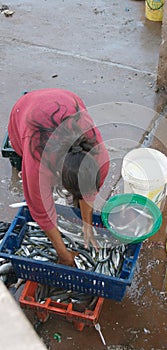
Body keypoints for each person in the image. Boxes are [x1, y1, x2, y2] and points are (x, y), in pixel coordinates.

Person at [8, 88, 110, 266]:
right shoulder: (37, 161)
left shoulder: (100, 158)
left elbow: (89, 192)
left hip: (65, 100)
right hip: (25, 112)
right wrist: (63, 254)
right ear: (56, 174)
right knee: (35, 191)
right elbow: (41, 213)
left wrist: (87, 225)